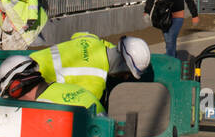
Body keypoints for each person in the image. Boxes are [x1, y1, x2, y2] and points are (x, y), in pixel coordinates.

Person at [11, 31, 152, 100]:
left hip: (18, 68)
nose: (126, 77)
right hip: (28, 92)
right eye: (128, 73)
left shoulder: (91, 40)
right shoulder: (95, 83)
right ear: (122, 65)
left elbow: (77, 35)